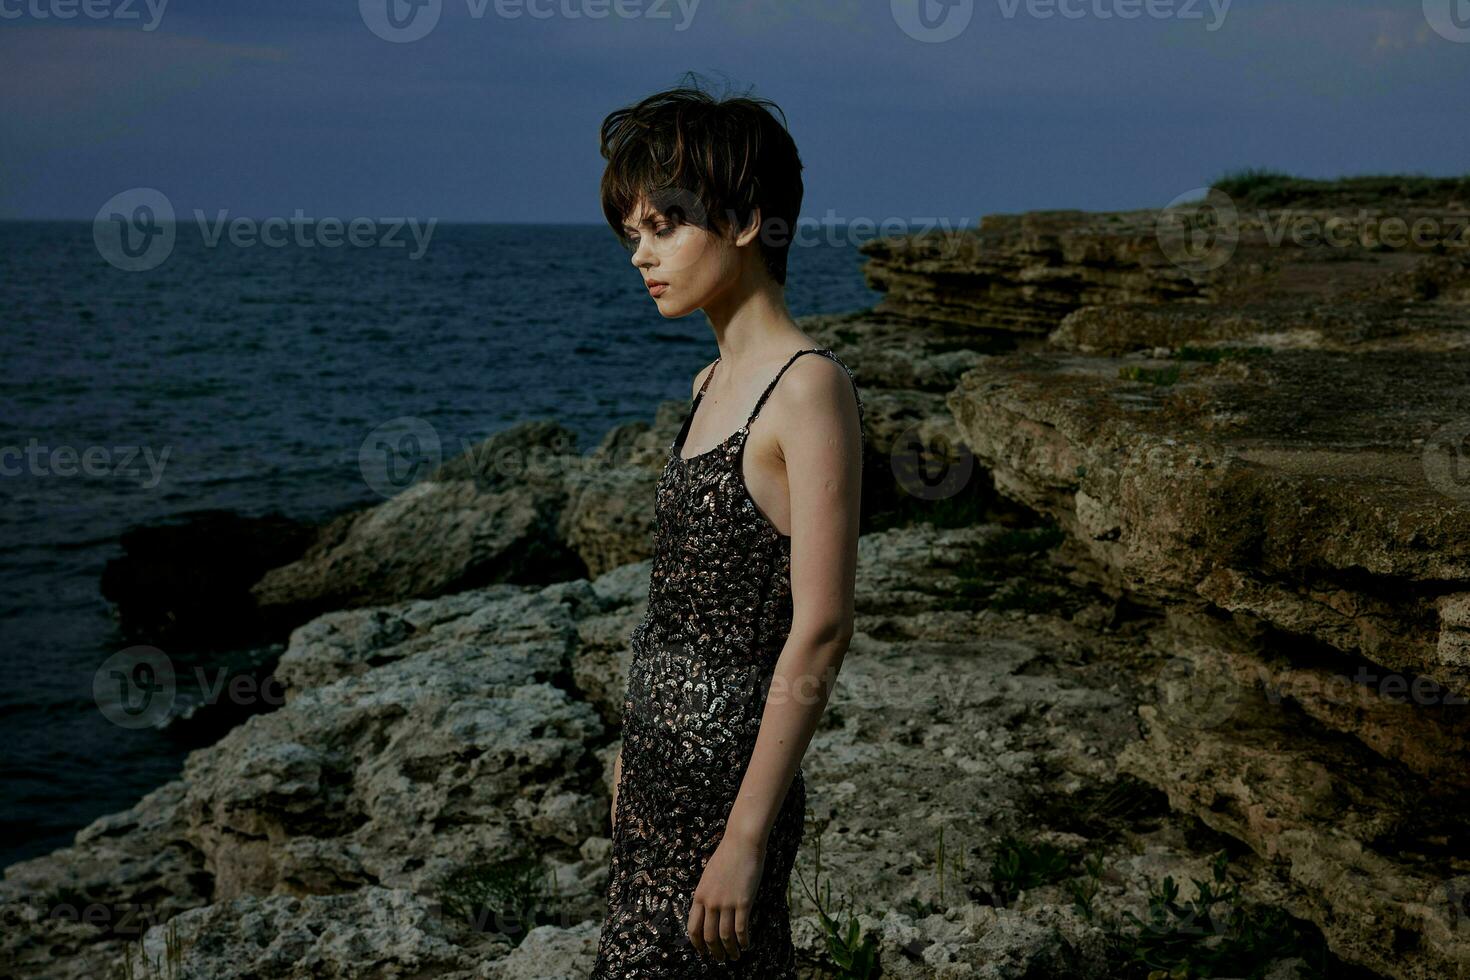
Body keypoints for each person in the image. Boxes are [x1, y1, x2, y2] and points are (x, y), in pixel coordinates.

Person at [588, 74, 865, 978]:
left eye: (663, 226)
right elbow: (677, 604)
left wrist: (746, 837)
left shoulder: (808, 387)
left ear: (744, 222)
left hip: (732, 784)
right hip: (657, 769)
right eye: (632, 233)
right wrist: (633, 752)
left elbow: (819, 629)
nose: (641, 254)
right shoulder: (707, 386)